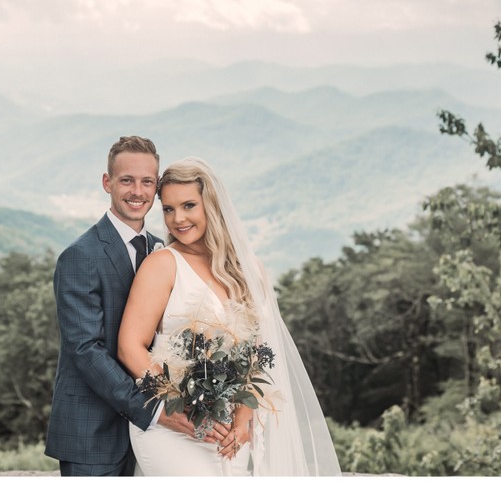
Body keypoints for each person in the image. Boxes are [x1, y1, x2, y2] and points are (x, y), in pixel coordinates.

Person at [119, 157, 342, 476]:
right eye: (168, 209)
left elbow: (261, 355)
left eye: (188, 206)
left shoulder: (250, 272)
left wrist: (244, 419)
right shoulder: (163, 265)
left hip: (229, 430)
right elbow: (130, 346)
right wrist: (181, 404)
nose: (178, 219)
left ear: (212, 205)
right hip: (171, 427)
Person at [45, 137, 224, 476]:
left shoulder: (161, 251)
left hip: (154, 436)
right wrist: (158, 409)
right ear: (107, 182)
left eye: (147, 182)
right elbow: (86, 350)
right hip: (94, 432)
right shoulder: (79, 256)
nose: (137, 191)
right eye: (127, 180)